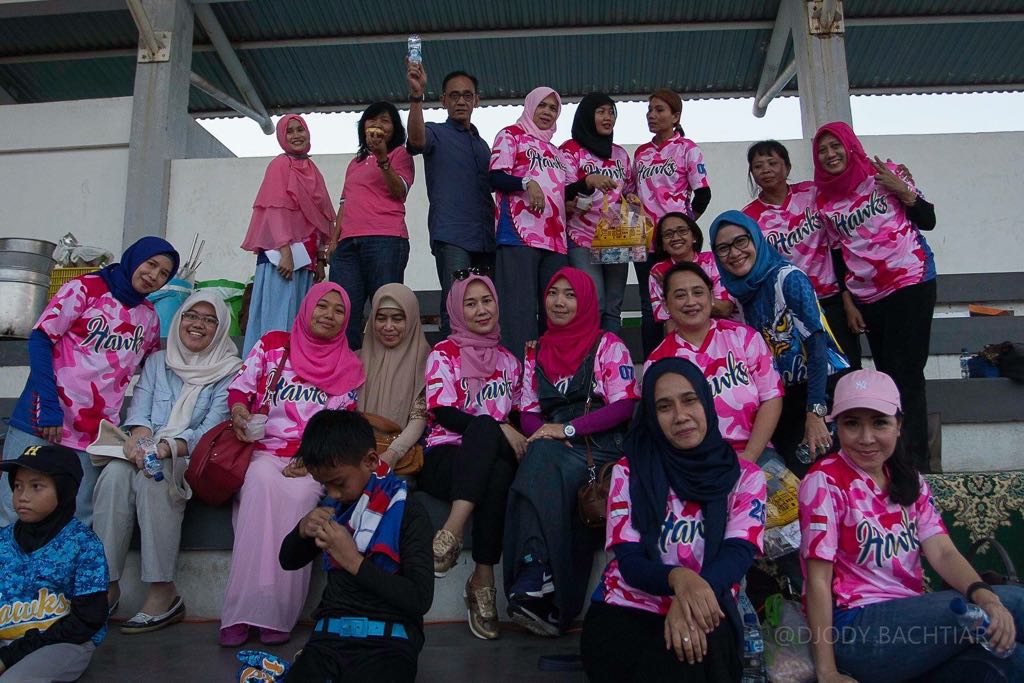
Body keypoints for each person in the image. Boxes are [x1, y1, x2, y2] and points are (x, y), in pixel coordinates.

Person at [799, 369, 1024, 683]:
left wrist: (984, 594)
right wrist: (827, 672)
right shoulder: (824, 481)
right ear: (837, 427)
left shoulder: (909, 479)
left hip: (913, 632)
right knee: (1014, 603)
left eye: (879, 422)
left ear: (899, 425)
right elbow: (818, 581)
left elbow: (943, 552)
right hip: (856, 631)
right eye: (852, 424)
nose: (866, 438)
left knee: (1011, 660)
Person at [580, 358, 766, 682]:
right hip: (628, 606)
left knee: (697, 654)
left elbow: (737, 555)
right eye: (664, 407)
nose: (680, 416)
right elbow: (630, 561)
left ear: (706, 402)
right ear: (652, 417)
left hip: (708, 604)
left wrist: (690, 597)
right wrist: (679, 579)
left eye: (689, 400)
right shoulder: (630, 471)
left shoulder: (744, 476)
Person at [219, 283, 365, 648]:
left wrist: (309, 460)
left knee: (300, 502)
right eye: (322, 306)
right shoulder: (272, 345)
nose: (328, 316)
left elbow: (336, 426)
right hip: (263, 451)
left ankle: (277, 614)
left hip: (312, 461)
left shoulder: (349, 365)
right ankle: (240, 611)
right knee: (258, 488)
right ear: (307, 307)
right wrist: (239, 412)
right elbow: (241, 388)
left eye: (338, 311)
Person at [1, 236, 179, 527]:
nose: (153, 276)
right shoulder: (86, 288)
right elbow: (41, 339)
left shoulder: (149, 318)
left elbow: (152, 370)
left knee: (77, 515)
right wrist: (48, 406)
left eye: (163, 274)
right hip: (44, 419)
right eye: (151, 264)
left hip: (94, 433)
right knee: (14, 510)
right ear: (135, 258)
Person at [92, 291, 241, 631]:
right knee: (115, 474)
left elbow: (210, 430)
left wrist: (162, 450)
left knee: (155, 478)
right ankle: (106, 586)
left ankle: (163, 591)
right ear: (179, 319)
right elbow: (141, 410)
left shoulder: (231, 368)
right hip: (150, 446)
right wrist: (142, 443)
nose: (198, 325)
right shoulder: (159, 361)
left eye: (209, 319)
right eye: (192, 315)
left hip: (190, 455)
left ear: (220, 328)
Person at [504, 267, 639, 636]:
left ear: (585, 302)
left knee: (539, 461)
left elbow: (624, 406)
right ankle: (538, 578)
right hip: (554, 446)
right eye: (553, 293)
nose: (559, 302)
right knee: (540, 458)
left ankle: (535, 574)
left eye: (570, 295)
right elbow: (528, 412)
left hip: (600, 445)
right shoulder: (536, 350)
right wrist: (547, 433)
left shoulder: (608, 344)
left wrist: (566, 429)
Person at [813, 122, 938, 472]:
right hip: (868, 296)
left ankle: (915, 468)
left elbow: (927, 219)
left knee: (906, 374)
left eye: (836, 146)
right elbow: (838, 255)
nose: (830, 155)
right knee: (887, 373)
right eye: (822, 150)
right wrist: (849, 299)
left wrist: (904, 190)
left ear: (850, 146)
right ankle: (892, 460)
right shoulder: (825, 201)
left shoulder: (885, 173)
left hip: (911, 282)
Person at [280, 410, 433, 682]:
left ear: (371, 461)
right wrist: (302, 529)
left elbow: (419, 599)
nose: (333, 494)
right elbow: (288, 561)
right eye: (324, 485)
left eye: (338, 483)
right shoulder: (332, 507)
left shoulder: (408, 511)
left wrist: (353, 561)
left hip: (389, 642)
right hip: (330, 639)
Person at [416, 273, 525, 641]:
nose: (481, 310)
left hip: (489, 458)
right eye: (471, 303)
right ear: (457, 310)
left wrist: (499, 427)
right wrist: (496, 426)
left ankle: (452, 536)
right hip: (445, 456)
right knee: (483, 432)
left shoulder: (510, 361)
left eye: (487, 301)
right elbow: (444, 412)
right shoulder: (443, 353)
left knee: (495, 467)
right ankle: (481, 580)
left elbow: (522, 413)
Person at [710, 210, 850, 476]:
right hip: (783, 397)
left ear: (756, 240)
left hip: (820, 389)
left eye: (741, 241)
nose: (734, 253)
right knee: (794, 479)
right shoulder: (742, 293)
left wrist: (816, 412)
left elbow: (817, 346)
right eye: (723, 248)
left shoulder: (788, 278)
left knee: (825, 476)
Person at [645, 262, 783, 464]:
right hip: (694, 462)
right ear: (666, 304)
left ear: (711, 297)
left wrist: (750, 457)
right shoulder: (658, 361)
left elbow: (772, 397)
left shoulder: (743, 337)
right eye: (680, 295)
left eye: (698, 292)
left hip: (756, 452)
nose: (691, 302)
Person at [742, 140, 861, 369]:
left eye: (772, 163)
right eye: (758, 166)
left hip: (831, 299)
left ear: (787, 167)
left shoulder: (813, 193)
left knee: (847, 368)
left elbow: (839, 243)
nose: (766, 170)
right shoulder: (749, 218)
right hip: (790, 308)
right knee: (807, 375)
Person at [0, 445, 107, 681]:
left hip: (64, 643)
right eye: (18, 486)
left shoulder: (83, 544)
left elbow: (87, 620)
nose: (23, 496)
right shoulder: (2, 541)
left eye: (36, 486)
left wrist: (11, 655)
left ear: (64, 490)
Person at [406, 63, 495, 336]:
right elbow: (416, 140)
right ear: (443, 100)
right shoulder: (434, 131)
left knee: (485, 307)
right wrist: (416, 97)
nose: (461, 101)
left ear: (476, 100)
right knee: (455, 304)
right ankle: (450, 371)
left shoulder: (482, 145)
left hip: (487, 238)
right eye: (454, 95)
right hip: (453, 235)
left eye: (467, 95)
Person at [240, 114, 336, 355]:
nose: (296, 135)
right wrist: (284, 252)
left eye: (300, 129)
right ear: (282, 138)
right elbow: (275, 210)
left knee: (298, 321)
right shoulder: (280, 165)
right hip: (281, 261)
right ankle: (265, 375)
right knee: (276, 321)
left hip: (305, 261)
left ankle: (290, 376)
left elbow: (321, 219)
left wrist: (321, 260)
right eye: (289, 131)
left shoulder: (313, 170)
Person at [489, 86, 569, 360]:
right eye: (542, 106)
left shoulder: (557, 153)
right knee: (518, 311)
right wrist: (525, 182)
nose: (547, 112)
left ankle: (550, 375)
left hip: (556, 240)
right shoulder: (511, 136)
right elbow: (496, 177)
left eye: (553, 108)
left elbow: (566, 191)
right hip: (519, 234)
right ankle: (517, 380)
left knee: (555, 310)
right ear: (529, 106)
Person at [328, 102, 415, 349]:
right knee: (343, 311)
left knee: (385, 310)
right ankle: (347, 369)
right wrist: (334, 241)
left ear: (394, 129)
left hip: (386, 240)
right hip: (347, 246)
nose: (377, 124)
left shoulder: (400, 154)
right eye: (372, 120)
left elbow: (399, 191)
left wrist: (382, 158)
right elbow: (344, 204)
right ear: (363, 126)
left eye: (385, 121)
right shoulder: (354, 164)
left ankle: (385, 373)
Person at [633, 89, 712, 358]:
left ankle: (692, 356)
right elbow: (633, 193)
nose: (652, 115)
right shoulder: (641, 153)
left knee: (683, 297)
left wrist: (683, 230)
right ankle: (655, 364)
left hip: (676, 244)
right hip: (644, 242)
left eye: (659, 110)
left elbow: (703, 193)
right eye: (649, 110)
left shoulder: (688, 149)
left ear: (675, 116)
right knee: (650, 307)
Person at [559, 92, 633, 332]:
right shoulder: (570, 150)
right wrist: (588, 181)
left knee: (613, 306)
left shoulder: (621, 154)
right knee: (594, 302)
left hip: (616, 239)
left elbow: (629, 190)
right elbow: (560, 192)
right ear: (587, 115)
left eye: (611, 112)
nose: (607, 117)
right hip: (581, 237)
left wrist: (632, 199)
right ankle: (590, 364)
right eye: (601, 111)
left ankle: (613, 359)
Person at [357, 283, 432, 469]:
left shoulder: (426, 361)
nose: (388, 327)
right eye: (381, 318)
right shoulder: (356, 359)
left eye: (398, 319)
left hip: (400, 454)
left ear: (412, 320)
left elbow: (419, 416)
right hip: (354, 451)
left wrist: (393, 453)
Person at [648, 212, 734, 329]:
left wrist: (675, 291)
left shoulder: (712, 261)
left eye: (682, 231)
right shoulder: (658, 272)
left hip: (724, 332)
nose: (676, 237)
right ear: (662, 244)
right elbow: (668, 322)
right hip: (685, 335)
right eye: (668, 234)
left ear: (694, 237)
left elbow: (725, 309)